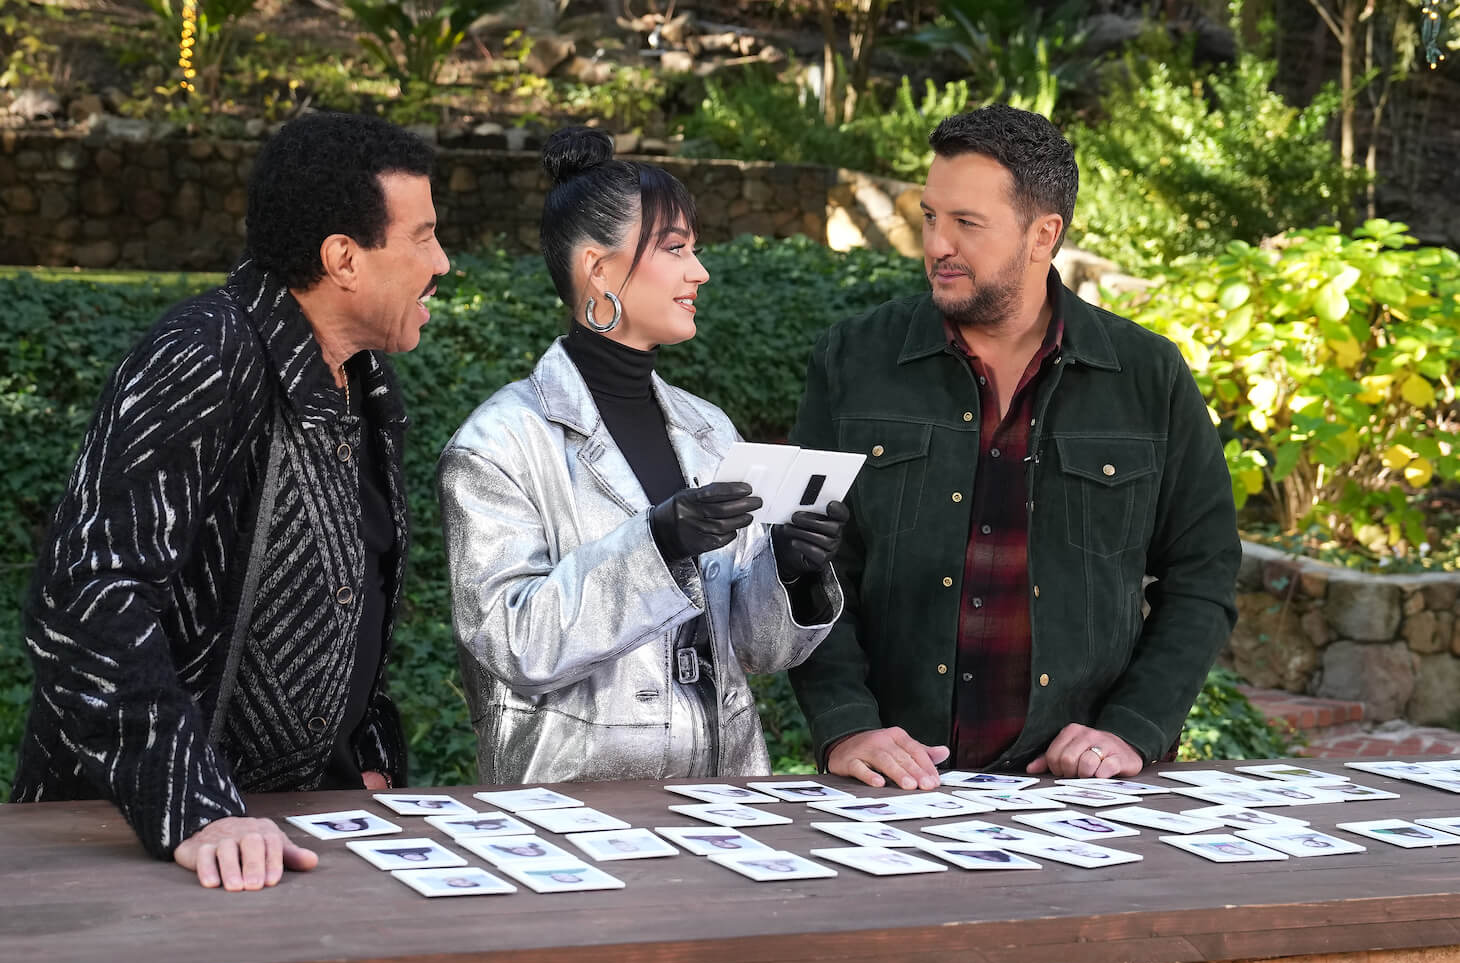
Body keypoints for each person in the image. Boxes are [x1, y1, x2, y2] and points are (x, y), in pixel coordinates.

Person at [9, 112, 450, 891]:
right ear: (343, 259)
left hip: (302, 835)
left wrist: (367, 761)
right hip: (151, 853)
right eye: (422, 238)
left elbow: (354, 602)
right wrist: (194, 809)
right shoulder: (205, 353)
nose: (442, 262)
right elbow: (85, 599)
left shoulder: (366, 381)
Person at [788, 105, 1240, 790]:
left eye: (967, 223)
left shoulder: (1148, 375)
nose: (938, 244)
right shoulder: (853, 359)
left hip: (1083, 792)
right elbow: (809, 565)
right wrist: (846, 723)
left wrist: (1133, 728)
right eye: (930, 217)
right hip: (891, 787)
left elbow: (1202, 574)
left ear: (1043, 235)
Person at [438, 126, 846, 783]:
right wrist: (657, 542)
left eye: (694, 248)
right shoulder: (498, 444)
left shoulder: (708, 429)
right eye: (675, 248)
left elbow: (756, 651)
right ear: (598, 269)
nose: (699, 271)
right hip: (569, 810)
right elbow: (513, 645)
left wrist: (790, 568)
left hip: (724, 800)